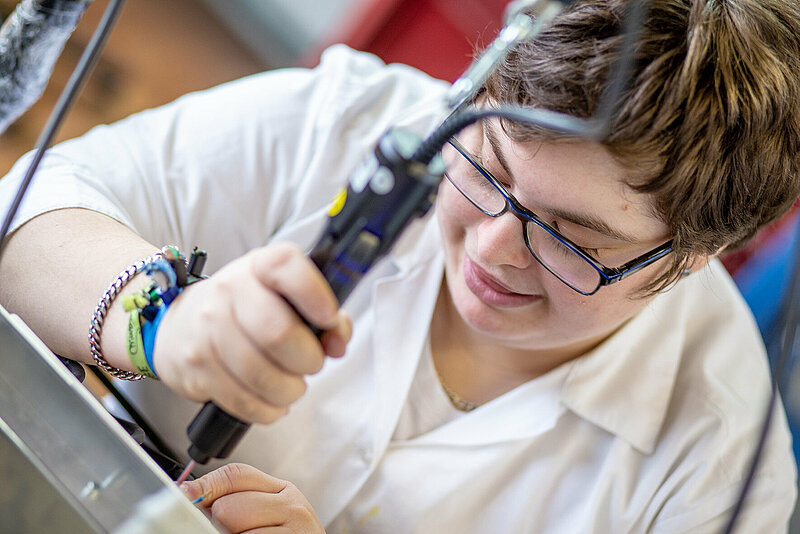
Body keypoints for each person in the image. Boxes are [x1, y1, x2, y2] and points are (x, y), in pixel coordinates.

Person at [1, 0, 799, 531]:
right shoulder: (358, 121)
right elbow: (25, 215)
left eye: (574, 241)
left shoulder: (718, 480)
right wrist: (159, 318)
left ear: (698, 257)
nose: (492, 248)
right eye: (488, 169)